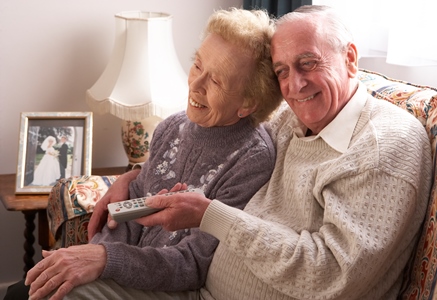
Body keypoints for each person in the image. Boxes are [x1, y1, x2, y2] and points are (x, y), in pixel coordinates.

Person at [89, 5, 431, 300]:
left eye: (308, 63)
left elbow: (331, 274)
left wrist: (211, 216)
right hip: (198, 290)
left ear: (350, 59)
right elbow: (210, 149)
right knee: (58, 285)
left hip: (192, 285)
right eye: (282, 70)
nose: (294, 86)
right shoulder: (290, 117)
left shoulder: (384, 146)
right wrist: (133, 177)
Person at [12, 8, 283, 300]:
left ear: (248, 103)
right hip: (128, 270)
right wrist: (93, 254)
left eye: (216, 81)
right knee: (25, 289)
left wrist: (104, 259)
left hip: (172, 287)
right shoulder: (172, 126)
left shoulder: (253, 159)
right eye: (197, 65)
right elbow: (128, 211)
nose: (195, 84)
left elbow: (191, 262)